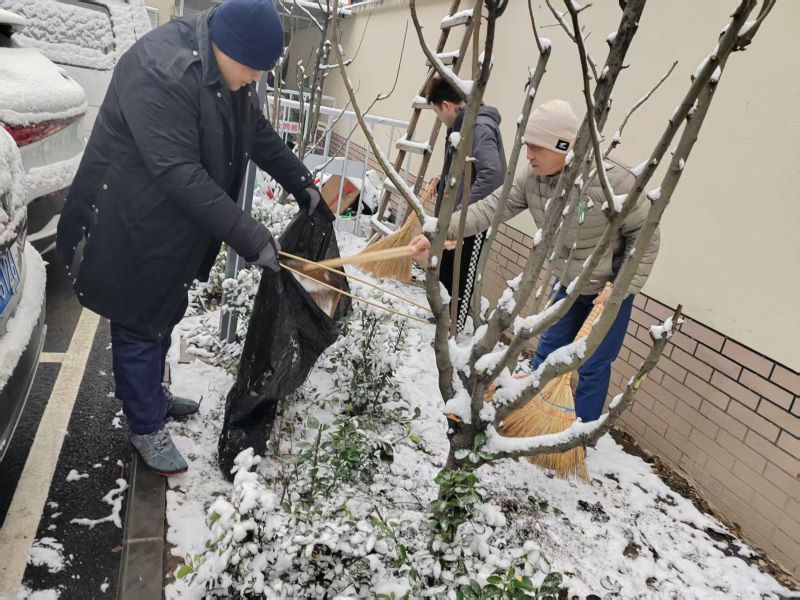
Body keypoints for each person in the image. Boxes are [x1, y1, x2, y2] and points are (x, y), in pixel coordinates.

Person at [56, 0, 332, 476]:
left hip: (170, 218)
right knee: (139, 318)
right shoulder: (161, 71)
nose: (255, 80)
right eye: (252, 69)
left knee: (164, 310)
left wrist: (301, 182)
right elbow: (179, 172)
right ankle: (144, 425)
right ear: (229, 48)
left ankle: (152, 397)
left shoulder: (222, 65)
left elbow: (255, 131)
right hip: (127, 216)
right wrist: (250, 236)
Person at [410, 99, 660, 422]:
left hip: (609, 290)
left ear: (562, 146)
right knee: (545, 354)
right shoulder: (532, 178)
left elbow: (646, 235)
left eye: (536, 148)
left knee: (592, 364)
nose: (528, 155)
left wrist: (620, 285)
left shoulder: (612, 181)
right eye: (527, 146)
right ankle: (530, 420)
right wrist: (439, 232)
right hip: (568, 284)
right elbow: (491, 208)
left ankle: (577, 437)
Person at [424, 76, 506, 333]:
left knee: (461, 273)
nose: (440, 118)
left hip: (473, 220)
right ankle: (442, 320)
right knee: (447, 267)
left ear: (447, 105)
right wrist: (445, 183)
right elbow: (466, 169)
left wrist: (464, 211)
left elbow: (492, 176)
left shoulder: (479, 127)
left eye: (437, 112)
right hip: (456, 218)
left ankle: (454, 329)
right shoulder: (460, 127)